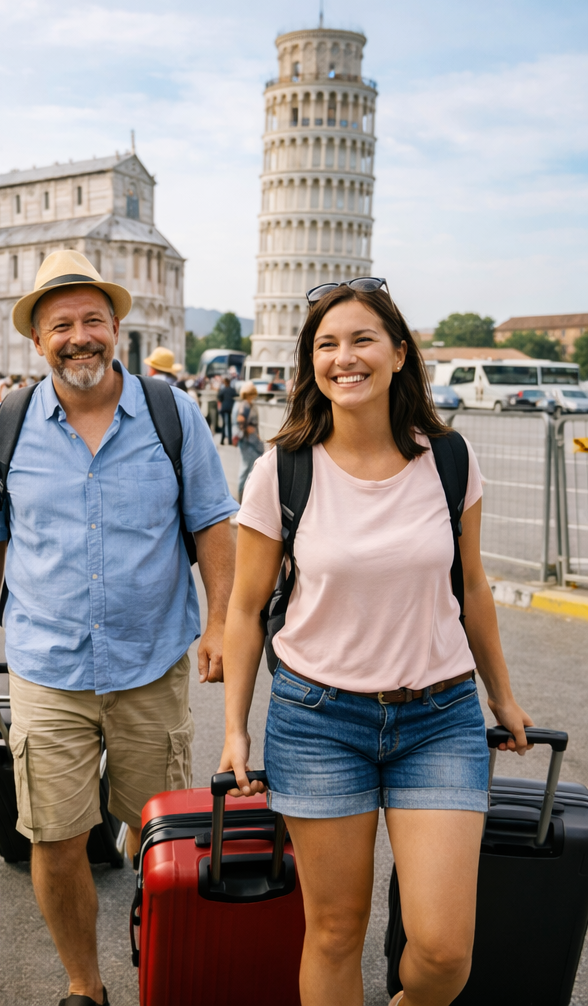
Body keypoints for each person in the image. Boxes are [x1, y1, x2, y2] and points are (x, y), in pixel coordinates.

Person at [219, 278, 533, 1006]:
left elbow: (474, 589)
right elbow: (245, 608)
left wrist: (504, 698)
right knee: (333, 930)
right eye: (326, 345)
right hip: (318, 720)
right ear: (311, 364)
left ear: (398, 353)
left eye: (362, 339)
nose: (344, 357)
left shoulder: (449, 460)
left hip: (440, 718)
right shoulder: (282, 470)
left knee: (444, 951)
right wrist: (235, 729)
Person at [0, 250, 238, 1006]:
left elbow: (213, 521)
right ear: (37, 341)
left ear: (117, 327)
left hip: (151, 664)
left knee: (166, 840)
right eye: (61, 326)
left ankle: (167, 971)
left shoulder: (171, 413)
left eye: (91, 321)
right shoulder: (3, 427)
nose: (78, 337)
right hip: (47, 668)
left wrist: (220, 623)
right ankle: (86, 983)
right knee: (53, 837)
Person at [234, 382, 264, 501]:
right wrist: (248, 429)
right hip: (248, 441)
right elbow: (241, 420)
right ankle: (242, 497)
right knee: (247, 468)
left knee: (249, 468)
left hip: (251, 440)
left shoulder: (247, 404)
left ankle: (244, 496)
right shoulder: (245, 405)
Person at [217, 375, 236, 444]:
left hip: (224, 408)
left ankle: (222, 440)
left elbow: (219, 397)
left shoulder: (223, 390)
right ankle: (230, 441)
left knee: (224, 424)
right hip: (231, 408)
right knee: (229, 424)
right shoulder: (232, 390)